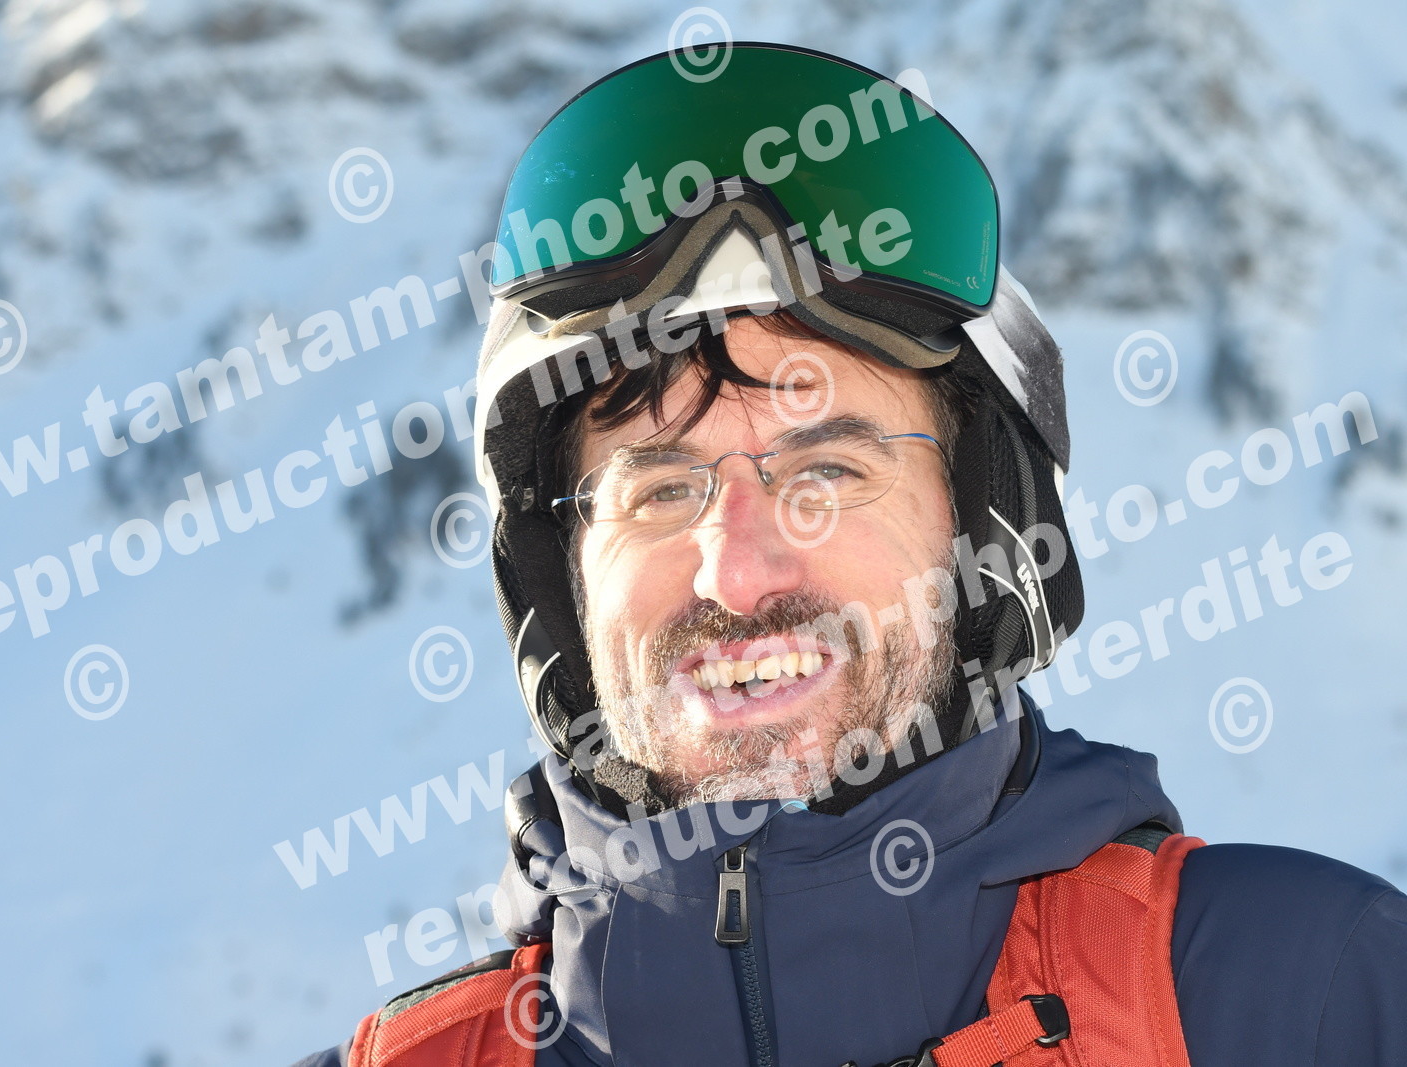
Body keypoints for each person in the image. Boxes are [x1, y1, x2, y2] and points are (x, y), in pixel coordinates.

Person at [295, 43, 1407, 1067]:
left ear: (981, 528)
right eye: (662, 489)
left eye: (825, 472)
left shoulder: (1307, 999)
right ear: (560, 576)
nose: (737, 573)